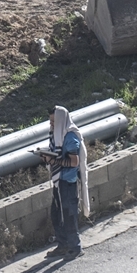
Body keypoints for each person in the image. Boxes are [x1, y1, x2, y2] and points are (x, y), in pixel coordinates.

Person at [40, 106, 89, 259]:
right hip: (59, 181)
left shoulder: (70, 137)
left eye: (54, 121)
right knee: (56, 214)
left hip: (67, 183)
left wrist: (53, 160)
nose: (52, 124)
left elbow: (74, 162)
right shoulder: (57, 135)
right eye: (50, 122)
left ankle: (75, 247)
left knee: (68, 215)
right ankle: (63, 245)